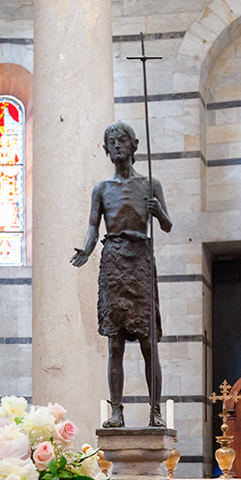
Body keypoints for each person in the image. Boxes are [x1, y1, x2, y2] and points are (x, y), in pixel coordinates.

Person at [71, 121, 172, 429]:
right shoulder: (101, 189)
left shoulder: (150, 184)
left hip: (140, 259)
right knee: (115, 343)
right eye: (111, 141)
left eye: (121, 140)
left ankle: (155, 411)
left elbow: (167, 225)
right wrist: (87, 250)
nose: (116, 145)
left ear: (133, 145)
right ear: (106, 150)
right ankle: (117, 411)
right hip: (113, 261)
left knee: (147, 341)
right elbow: (93, 226)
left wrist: (158, 212)